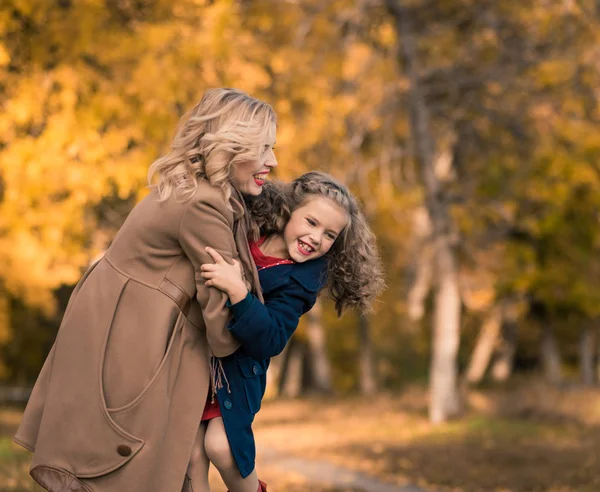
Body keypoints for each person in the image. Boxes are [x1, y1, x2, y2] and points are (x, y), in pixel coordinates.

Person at [13, 88, 278, 492]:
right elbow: (222, 331)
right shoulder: (206, 205)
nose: (272, 162)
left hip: (112, 326)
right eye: (262, 149)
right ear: (231, 145)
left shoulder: (182, 185)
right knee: (140, 466)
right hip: (139, 342)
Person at [185, 172, 385, 492]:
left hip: (236, 374)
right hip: (194, 359)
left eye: (330, 235)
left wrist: (239, 293)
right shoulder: (246, 232)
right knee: (190, 453)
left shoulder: (300, 283)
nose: (316, 237)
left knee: (222, 446)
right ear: (289, 211)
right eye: (311, 222)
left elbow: (272, 339)